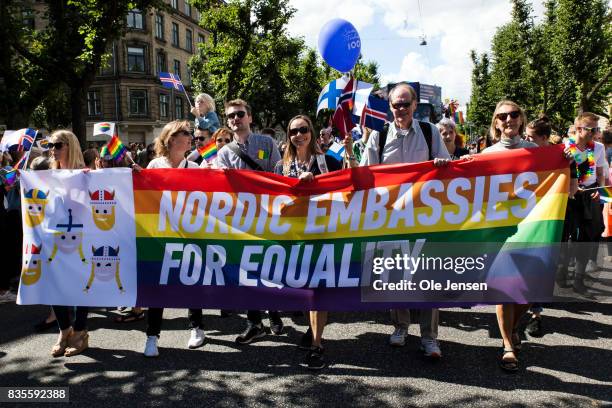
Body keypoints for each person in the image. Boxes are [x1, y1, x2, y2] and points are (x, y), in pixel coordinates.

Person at [360, 83, 450, 359]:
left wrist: (442, 164)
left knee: (427, 277)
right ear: (390, 107)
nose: (400, 109)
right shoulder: (379, 135)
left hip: (424, 217)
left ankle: (429, 337)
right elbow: (366, 174)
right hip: (391, 219)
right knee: (396, 274)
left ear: (414, 106)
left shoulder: (429, 131)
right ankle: (400, 327)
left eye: (405, 104)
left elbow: (445, 165)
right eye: (395, 104)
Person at [273, 115, 352, 370]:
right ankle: (311, 329)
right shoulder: (280, 167)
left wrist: (349, 153)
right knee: (303, 289)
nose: (299, 135)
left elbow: (350, 183)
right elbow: (275, 202)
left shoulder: (326, 161)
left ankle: (317, 345)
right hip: (294, 238)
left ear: (311, 132)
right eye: (293, 131)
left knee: (317, 291)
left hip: (323, 234)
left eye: (304, 129)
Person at [480, 101, 543, 372]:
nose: (509, 119)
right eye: (502, 116)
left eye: (514, 114)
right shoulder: (486, 154)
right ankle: (507, 344)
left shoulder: (537, 152)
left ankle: (515, 327)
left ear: (521, 119)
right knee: (506, 289)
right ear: (496, 123)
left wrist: (571, 163)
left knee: (529, 291)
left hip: (532, 226)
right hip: (500, 230)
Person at [216, 98, 284, 344]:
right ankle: (254, 322)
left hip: (268, 215)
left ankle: (274, 312)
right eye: (231, 116)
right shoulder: (223, 153)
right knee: (248, 270)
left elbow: (279, 175)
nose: (235, 119)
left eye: (240, 114)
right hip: (241, 220)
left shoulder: (267, 142)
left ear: (250, 117)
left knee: (270, 266)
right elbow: (223, 186)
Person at [143, 120, 202, 357]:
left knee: (191, 280)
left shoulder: (196, 168)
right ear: (170, 139)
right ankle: (152, 336)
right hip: (161, 235)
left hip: (189, 233)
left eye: (190, 134)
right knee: (158, 285)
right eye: (185, 133)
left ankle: (197, 327)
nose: (190, 137)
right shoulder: (155, 165)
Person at [46, 130, 89, 357]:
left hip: (80, 238)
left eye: (58, 144)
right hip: (55, 239)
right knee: (56, 286)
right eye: (50, 145)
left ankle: (80, 331)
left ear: (70, 146)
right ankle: (64, 330)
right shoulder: (48, 175)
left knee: (82, 286)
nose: (53, 149)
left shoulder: (86, 174)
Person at [556, 112, 606, 297]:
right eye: (591, 129)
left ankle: (578, 279)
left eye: (597, 129)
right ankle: (561, 270)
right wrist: (565, 159)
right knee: (565, 235)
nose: (595, 132)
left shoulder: (598, 148)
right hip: (569, 196)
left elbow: (600, 173)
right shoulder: (564, 147)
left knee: (588, 235)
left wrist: (599, 190)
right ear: (578, 129)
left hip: (589, 194)